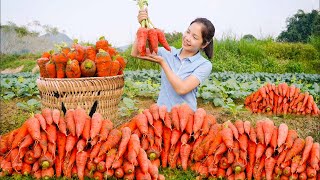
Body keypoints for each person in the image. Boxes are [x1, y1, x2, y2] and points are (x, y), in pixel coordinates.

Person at [131, 9, 215, 111]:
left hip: (185, 117)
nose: (187, 38)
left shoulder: (204, 65)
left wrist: (163, 63)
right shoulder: (168, 52)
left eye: (194, 37)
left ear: (204, 44)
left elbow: (182, 89)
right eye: (188, 32)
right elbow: (136, 53)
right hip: (162, 114)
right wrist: (142, 29)